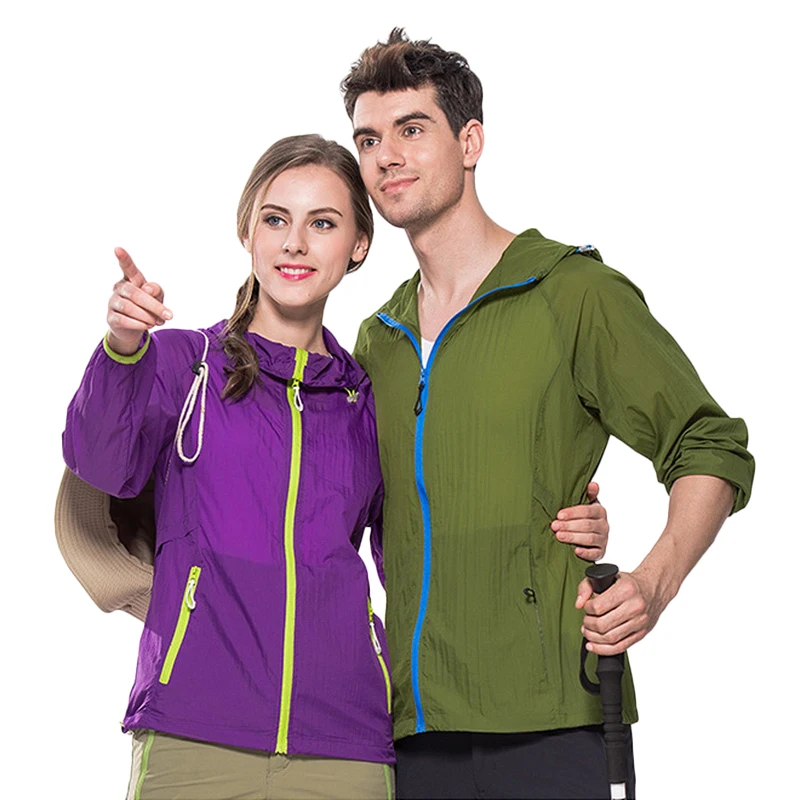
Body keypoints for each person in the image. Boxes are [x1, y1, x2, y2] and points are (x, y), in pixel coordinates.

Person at [60, 133, 611, 800]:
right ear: (248, 232)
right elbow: (102, 462)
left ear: (358, 245)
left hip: (346, 744)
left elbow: (423, 536)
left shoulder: (366, 398)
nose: (295, 243)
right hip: (194, 730)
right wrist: (122, 349)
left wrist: (555, 516)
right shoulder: (184, 364)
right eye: (276, 219)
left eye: (322, 223)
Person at [341, 30, 755, 800]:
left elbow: (708, 443)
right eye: (368, 139)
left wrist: (654, 582)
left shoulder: (572, 293)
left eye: (411, 129)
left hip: (551, 721)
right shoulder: (378, 340)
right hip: (411, 726)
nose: (386, 156)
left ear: (470, 142)